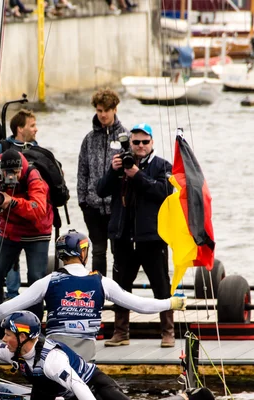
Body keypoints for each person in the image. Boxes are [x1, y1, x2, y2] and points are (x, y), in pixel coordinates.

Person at [0, 229, 186, 361]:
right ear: (83, 252)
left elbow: (7, 308)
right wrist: (172, 302)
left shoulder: (48, 281)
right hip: (85, 359)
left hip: (54, 357)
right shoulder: (102, 282)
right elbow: (141, 305)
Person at [0, 311, 130, 400]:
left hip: (94, 385)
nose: (3, 340)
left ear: (24, 337)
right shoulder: (12, 352)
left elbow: (80, 387)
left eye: (8, 335)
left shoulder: (52, 361)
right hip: (50, 390)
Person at [97, 123, 175, 347]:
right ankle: (121, 332)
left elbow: (165, 192)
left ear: (152, 143)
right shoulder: (119, 164)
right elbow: (101, 191)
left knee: (161, 285)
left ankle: (167, 332)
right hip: (123, 237)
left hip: (152, 237)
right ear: (129, 143)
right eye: (136, 142)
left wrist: (137, 175)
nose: (140, 146)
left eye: (145, 142)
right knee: (120, 287)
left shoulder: (162, 166)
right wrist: (114, 171)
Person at [0, 148, 53, 324]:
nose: (11, 177)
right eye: (8, 173)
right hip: (10, 230)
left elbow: (38, 210)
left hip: (37, 231)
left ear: (21, 170)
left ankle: (35, 323)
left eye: (15, 173)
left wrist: (11, 201)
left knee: (36, 279)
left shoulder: (34, 177)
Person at [77, 88, 127, 277]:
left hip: (118, 206)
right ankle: (98, 291)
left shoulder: (126, 137)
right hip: (93, 207)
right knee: (98, 251)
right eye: (99, 110)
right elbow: (82, 171)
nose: (103, 115)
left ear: (115, 109)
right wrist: (83, 201)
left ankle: (117, 294)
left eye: (107, 110)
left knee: (118, 252)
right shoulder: (89, 139)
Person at [0, 109, 39, 300]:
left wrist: (16, 201)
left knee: (34, 273)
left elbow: (39, 196)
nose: (36, 129)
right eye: (32, 125)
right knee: (1, 263)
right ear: (20, 128)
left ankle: (16, 296)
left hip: (27, 215)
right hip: (3, 216)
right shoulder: (1, 148)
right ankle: (8, 296)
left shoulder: (35, 149)